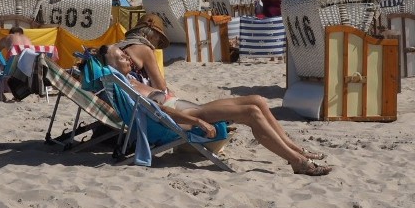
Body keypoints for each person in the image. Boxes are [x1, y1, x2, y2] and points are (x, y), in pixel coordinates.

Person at [101, 46, 332, 176]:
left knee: (258, 100)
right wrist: (199, 123)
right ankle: (297, 161)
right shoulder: (126, 86)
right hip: (188, 118)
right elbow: (161, 112)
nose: (126, 56)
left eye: (124, 52)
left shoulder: (130, 78)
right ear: (110, 65)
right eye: (120, 56)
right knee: (251, 112)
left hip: (192, 109)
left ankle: (296, 150)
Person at [115, 14, 171, 93]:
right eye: (159, 38)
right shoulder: (145, 49)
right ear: (153, 36)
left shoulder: (118, 46)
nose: (158, 42)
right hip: (130, 97)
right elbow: (160, 86)